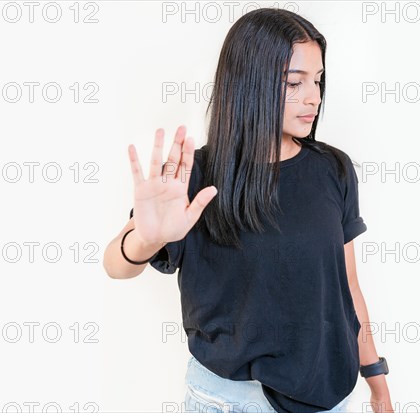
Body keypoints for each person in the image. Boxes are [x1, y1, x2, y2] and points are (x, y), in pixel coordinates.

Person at [103, 7, 394, 413]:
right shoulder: (197, 176)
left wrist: (377, 381)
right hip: (233, 401)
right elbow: (116, 265)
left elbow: (348, 289)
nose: (313, 96)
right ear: (248, 84)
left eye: (318, 80)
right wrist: (146, 238)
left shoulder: (333, 169)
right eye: (295, 82)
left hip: (332, 397)